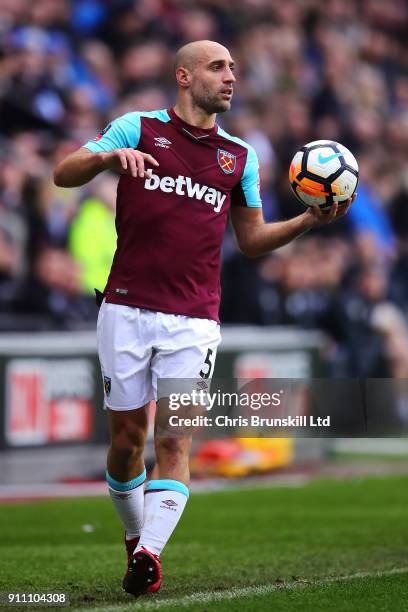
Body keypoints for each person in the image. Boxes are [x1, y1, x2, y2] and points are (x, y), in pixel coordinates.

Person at [53, 40, 354, 597]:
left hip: (194, 319)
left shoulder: (239, 157)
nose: (231, 76)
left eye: (235, 68)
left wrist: (307, 222)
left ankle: (149, 554)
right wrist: (103, 158)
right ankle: (135, 537)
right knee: (126, 438)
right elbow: (62, 174)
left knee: (175, 440)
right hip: (123, 307)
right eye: (219, 67)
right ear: (184, 76)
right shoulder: (136, 128)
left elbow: (252, 239)